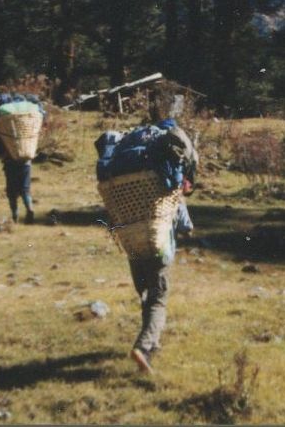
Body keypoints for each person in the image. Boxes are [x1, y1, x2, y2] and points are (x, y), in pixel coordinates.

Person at [99, 96, 198, 374]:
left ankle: (151, 346)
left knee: (146, 293)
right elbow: (183, 220)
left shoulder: (133, 186)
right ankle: (143, 347)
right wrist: (187, 229)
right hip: (157, 243)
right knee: (158, 297)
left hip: (132, 245)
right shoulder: (165, 191)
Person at [0, 91, 41, 223]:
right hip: (26, 163)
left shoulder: (2, 134)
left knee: (12, 193)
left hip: (9, 164)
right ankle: (29, 208)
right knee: (25, 189)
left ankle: (15, 216)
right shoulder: (26, 129)